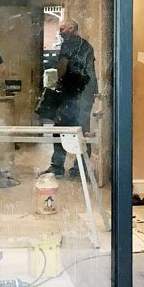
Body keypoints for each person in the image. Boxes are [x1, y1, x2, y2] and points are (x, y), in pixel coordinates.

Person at [44, 19, 97, 179]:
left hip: (73, 93)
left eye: (62, 29)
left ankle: (57, 166)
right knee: (82, 129)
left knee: (60, 128)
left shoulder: (69, 42)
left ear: (71, 29)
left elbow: (63, 66)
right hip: (86, 92)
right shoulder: (86, 45)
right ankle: (80, 169)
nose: (60, 32)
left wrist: (54, 84)